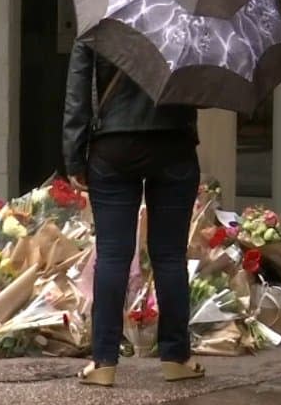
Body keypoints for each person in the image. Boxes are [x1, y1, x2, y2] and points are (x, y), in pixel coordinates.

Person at [62, 40, 206, 387]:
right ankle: (176, 358)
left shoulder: (101, 20)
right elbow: (202, 88)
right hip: (174, 142)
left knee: (112, 254)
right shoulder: (186, 20)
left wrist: (74, 156)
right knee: (169, 256)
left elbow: (77, 95)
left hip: (114, 144)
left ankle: (103, 363)